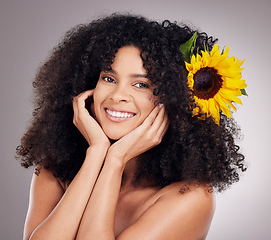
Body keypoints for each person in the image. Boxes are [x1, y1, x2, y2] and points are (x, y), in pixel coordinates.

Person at [16, 13, 247, 240]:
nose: (118, 96)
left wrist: (115, 161)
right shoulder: (54, 170)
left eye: (141, 84)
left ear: (174, 100)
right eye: (108, 78)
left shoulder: (189, 198)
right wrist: (96, 154)